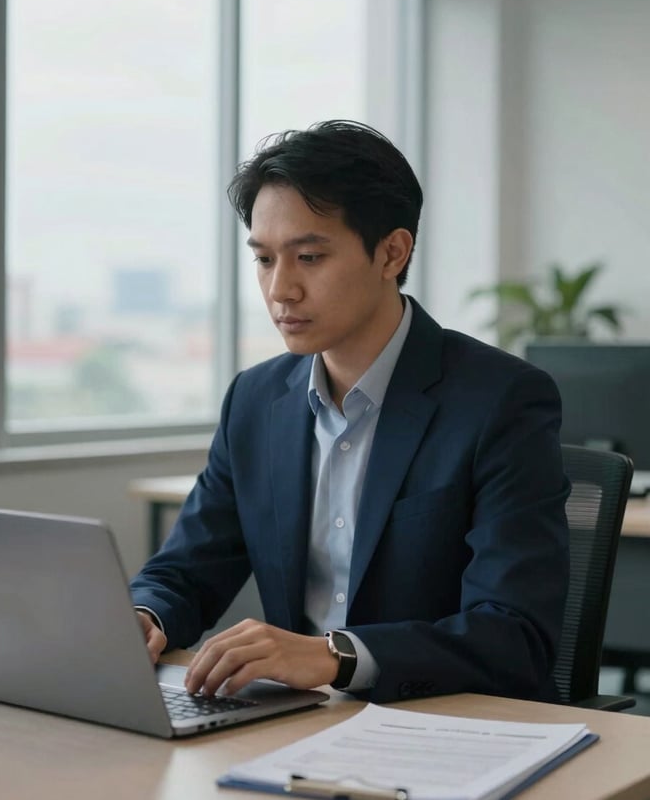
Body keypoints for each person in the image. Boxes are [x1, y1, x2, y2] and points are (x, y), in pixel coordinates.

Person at [129, 119, 569, 704]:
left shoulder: (501, 401)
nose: (281, 289)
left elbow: (514, 636)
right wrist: (145, 618)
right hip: (296, 724)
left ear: (392, 252)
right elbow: (185, 571)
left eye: (308, 256)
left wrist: (333, 656)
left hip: (442, 726)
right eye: (263, 260)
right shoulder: (256, 401)